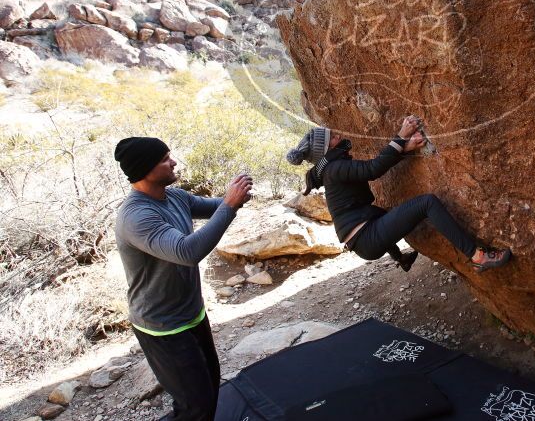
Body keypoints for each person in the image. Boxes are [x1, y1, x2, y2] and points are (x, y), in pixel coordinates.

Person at [113, 137, 252, 421]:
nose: (173, 161)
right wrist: (230, 204)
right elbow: (188, 251)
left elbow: (218, 207)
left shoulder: (175, 197)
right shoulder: (137, 216)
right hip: (163, 327)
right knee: (195, 407)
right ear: (145, 169)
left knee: (209, 390)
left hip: (192, 314)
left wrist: (238, 195)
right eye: (165, 159)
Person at [286, 116, 511, 272]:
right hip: (367, 238)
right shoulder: (335, 169)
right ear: (327, 149)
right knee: (427, 204)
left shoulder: (331, 169)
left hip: (365, 237)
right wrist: (401, 136)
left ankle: (401, 258)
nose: (337, 135)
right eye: (332, 137)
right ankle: (477, 256)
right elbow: (373, 169)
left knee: (390, 214)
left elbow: (370, 177)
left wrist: (404, 148)